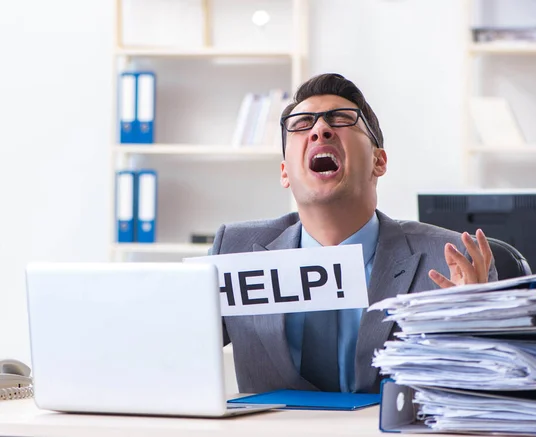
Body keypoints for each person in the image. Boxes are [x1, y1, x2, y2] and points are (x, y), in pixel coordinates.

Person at [210, 73, 497, 394]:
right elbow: (173, 353)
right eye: (302, 124)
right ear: (284, 172)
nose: (320, 130)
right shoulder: (234, 250)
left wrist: (471, 327)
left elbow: (489, 391)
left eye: (342, 120)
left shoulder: (452, 259)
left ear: (379, 161)